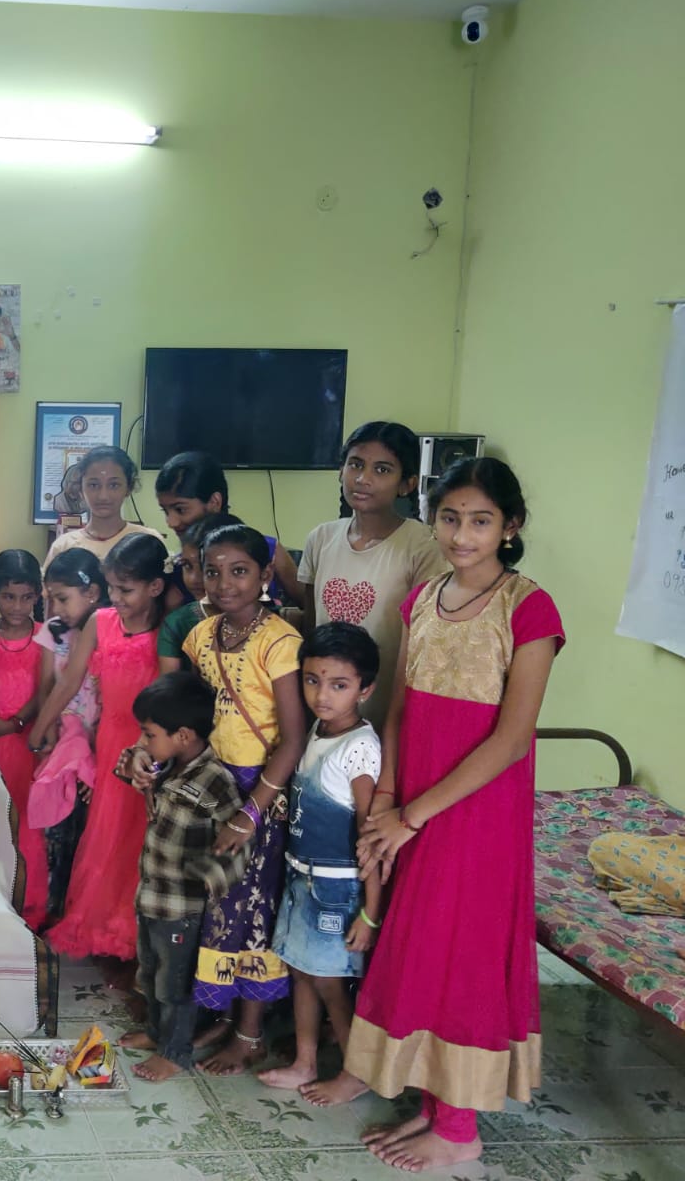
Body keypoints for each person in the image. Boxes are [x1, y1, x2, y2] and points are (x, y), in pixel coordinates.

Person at [311, 458, 563, 1176]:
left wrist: (415, 815)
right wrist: (387, 799)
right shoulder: (422, 598)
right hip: (413, 800)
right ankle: (428, 1097)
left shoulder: (529, 607)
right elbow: (400, 709)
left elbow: (512, 739)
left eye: (481, 520)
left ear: (510, 527)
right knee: (417, 941)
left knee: (463, 949)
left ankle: (459, 1129)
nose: (462, 534)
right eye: (449, 517)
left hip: (475, 811)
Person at [181, 524, 307, 1076]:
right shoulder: (200, 635)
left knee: (253, 910)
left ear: (265, 575)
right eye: (213, 571)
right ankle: (221, 1013)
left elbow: (294, 738)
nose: (224, 583)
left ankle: (250, 1034)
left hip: (260, 793)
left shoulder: (279, 641)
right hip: (212, 786)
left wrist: (251, 813)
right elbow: (194, 713)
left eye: (239, 571)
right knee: (216, 908)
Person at [30, 533, 167, 972]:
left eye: (126, 590)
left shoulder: (167, 631)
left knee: (138, 839)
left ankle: (132, 934)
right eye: (111, 589)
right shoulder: (100, 623)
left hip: (148, 746)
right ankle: (102, 926)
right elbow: (69, 681)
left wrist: (150, 749)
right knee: (105, 836)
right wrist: (40, 729)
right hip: (109, 742)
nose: (116, 599)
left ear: (155, 587)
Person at [257, 622, 383, 1095]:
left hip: (336, 889)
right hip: (301, 878)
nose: (322, 695)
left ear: (365, 689)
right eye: (312, 680)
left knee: (330, 983)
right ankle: (305, 1062)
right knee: (301, 972)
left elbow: (371, 838)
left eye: (339, 685)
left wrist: (370, 914)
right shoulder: (317, 730)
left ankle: (357, 1072)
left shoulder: (360, 750)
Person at [117, 674, 246, 1081]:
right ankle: (158, 1034)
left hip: (182, 908)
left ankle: (174, 1053)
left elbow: (237, 846)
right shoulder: (166, 762)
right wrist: (137, 757)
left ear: (184, 735)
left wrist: (205, 874)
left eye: (149, 734)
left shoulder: (215, 780)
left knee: (175, 986)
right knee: (150, 974)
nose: (144, 741)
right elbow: (128, 766)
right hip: (151, 898)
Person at [297, 421, 447, 728]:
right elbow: (312, 627)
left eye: (382, 470)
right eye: (355, 464)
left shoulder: (423, 545)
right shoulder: (321, 538)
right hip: (325, 713)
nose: (363, 478)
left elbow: (425, 645)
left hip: (387, 716)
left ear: (406, 484)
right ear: (341, 471)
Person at [28, 549, 107, 923]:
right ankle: (52, 908)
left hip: (98, 745)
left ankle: (80, 911)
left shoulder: (109, 630)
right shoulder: (54, 631)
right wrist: (45, 733)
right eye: (51, 599)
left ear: (91, 593)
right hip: (61, 743)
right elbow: (48, 685)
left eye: (63, 598)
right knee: (56, 827)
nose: (56, 608)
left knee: (89, 831)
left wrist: (100, 756)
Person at [0, 549, 48, 929]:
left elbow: (47, 690)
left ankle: (30, 904)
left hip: (28, 745)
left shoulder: (45, 638)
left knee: (26, 823)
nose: (18, 606)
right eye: (8, 596)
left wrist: (15, 723)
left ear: (38, 595)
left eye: (27, 597)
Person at [154, 450, 304, 608]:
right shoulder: (181, 566)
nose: (171, 522)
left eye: (180, 509)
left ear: (214, 502)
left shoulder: (269, 549)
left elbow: (309, 608)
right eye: (165, 511)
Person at [43, 445, 162, 569]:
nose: (103, 496)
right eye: (93, 485)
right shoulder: (64, 546)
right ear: (80, 489)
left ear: (128, 488)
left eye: (114, 485)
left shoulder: (148, 541)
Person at [157, 513, 243, 676]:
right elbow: (169, 687)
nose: (194, 578)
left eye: (206, 567)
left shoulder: (268, 621)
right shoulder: (177, 624)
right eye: (187, 566)